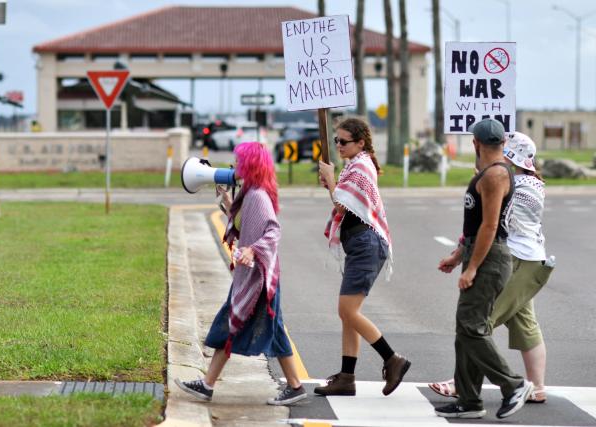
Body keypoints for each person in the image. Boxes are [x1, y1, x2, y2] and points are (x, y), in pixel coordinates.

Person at [174, 142, 307, 406]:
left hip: (258, 279)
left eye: (240, 161)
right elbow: (244, 223)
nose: (235, 165)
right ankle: (291, 386)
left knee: (233, 323)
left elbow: (272, 231)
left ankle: (209, 385)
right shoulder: (250, 192)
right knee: (247, 326)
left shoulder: (257, 196)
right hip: (255, 277)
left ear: (251, 165)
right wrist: (227, 202)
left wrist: (253, 251)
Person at [429, 131, 554, 404]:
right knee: (525, 325)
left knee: (477, 324)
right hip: (533, 260)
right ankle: (538, 386)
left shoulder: (512, 184)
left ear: (510, 157)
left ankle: (462, 385)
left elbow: (492, 224)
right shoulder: (530, 183)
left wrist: (467, 259)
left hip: (518, 258)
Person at [315, 117, 410, 397]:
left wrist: (332, 181)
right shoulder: (354, 166)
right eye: (337, 141)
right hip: (361, 245)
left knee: (347, 311)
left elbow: (343, 203)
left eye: (344, 142)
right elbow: (344, 202)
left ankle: (393, 359)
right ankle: (346, 377)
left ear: (360, 143)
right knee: (349, 315)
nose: (339, 146)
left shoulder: (360, 167)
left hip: (367, 244)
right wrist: (333, 183)